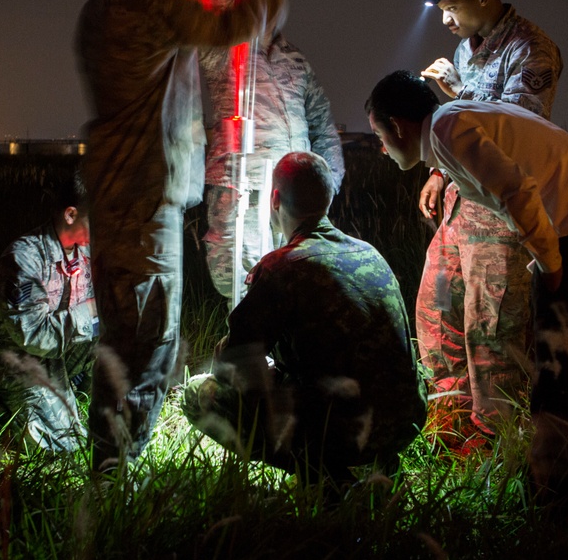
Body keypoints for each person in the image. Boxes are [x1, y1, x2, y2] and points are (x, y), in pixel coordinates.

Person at [76, 0, 279, 471]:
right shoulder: (144, 5)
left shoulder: (101, 8)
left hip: (117, 193)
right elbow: (227, 25)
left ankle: (107, 459)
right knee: (149, 340)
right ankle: (117, 476)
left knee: (121, 334)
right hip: (144, 197)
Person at [365, 71, 568, 492]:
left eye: (379, 136)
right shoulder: (450, 121)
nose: (381, 149)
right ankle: (548, 479)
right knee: (562, 367)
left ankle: (555, 492)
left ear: (397, 126)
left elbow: (516, 191)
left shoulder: (446, 129)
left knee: (563, 368)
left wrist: (550, 266)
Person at [182, 152, 427, 487]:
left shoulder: (282, 267)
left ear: (275, 199)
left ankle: (326, 476)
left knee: (199, 392)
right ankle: (379, 467)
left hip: (337, 432)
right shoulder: (369, 253)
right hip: (403, 424)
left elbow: (232, 366)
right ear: (327, 199)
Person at [415, 0, 563, 440]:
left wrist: (458, 95)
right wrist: (440, 171)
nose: (444, 20)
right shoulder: (468, 49)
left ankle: (497, 441)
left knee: (492, 331)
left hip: (501, 214)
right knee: (438, 309)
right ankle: (451, 424)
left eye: (451, 7)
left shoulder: (532, 50)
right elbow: (467, 129)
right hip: (463, 204)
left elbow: (515, 135)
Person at [200, 0, 345, 302]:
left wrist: (326, 186)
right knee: (245, 288)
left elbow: (322, 123)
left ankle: (287, 355)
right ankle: (245, 353)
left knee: (297, 286)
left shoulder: (295, 59)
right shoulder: (224, 50)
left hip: (297, 199)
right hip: (245, 197)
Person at [0, 172, 98, 452]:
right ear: (71, 214)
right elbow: (36, 336)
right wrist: (94, 310)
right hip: (20, 362)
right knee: (65, 446)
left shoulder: (87, 253)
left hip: (61, 357)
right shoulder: (23, 260)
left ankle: (77, 390)